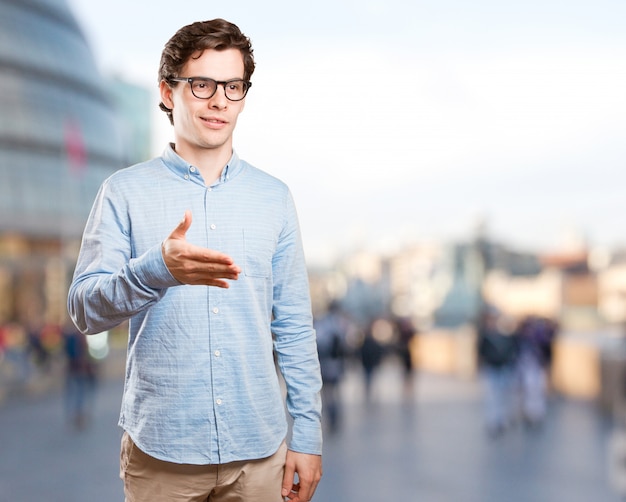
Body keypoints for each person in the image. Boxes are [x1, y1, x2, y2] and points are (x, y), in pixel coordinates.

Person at [67, 19, 322, 502]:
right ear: (168, 92)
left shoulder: (274, 198)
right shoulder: (122, 192)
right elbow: (84, 309)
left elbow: (293, 326)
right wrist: (156, 270)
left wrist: (307, 437)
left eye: (233, 85)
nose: (220, 100)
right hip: (161, 454)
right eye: (202, 84)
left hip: (260, 453)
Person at [476, 307, 519, 438]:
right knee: (492, 396)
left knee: (503, 396)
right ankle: (493, 421)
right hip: (491, 368)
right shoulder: (485, 335)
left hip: (503, 368)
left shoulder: (504, 334)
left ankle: (501, 420)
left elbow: (512, 350)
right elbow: (480, 352)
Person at [314, 300, 349, 433]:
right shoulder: (340, 323)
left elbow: (319, 342)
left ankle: (332, 416)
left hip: (326, 362)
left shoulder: (323, 322)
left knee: (328, 393)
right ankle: (334, 416)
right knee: (334, 392)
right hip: (335, 363)